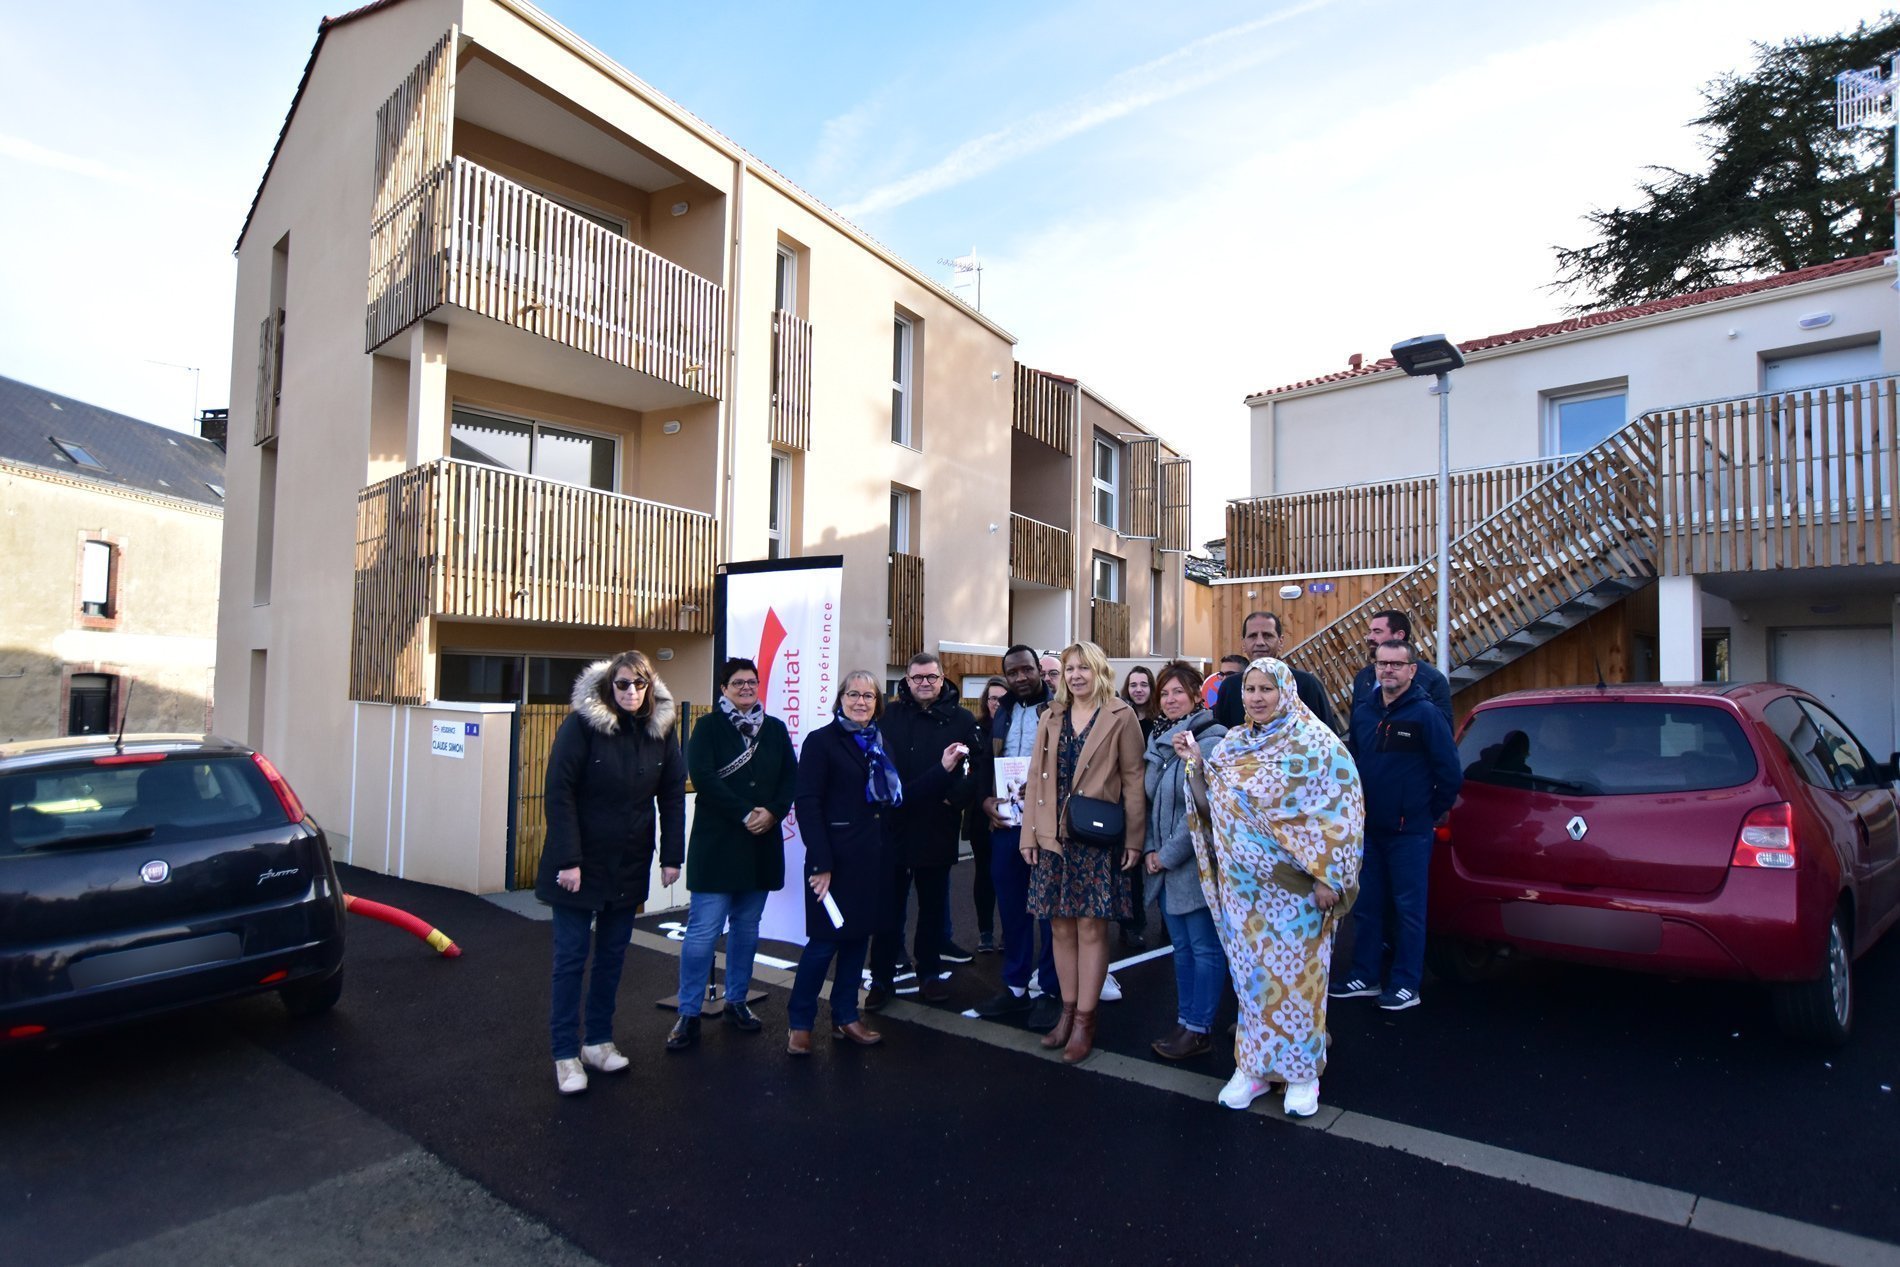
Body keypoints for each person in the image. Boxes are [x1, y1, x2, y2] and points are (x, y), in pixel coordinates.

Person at [1183, 657, 1364, 1116]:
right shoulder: (1232, 745)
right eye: (1250, 689)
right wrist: (1197, 767)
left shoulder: (1317, 744)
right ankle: (1254, 1069)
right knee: (1252, 982)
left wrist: (1330, 877)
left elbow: (1342, 812)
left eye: (1266, 689)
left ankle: (1303, 1075)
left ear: (1286, 691)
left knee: (1301, 984)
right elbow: (1211, 807)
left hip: (1298, 893)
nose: (1257, 698)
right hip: (1245, 892)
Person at [537, 652, 685, 1094]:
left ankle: (597, 1043)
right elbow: (558, 790)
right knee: (571, 960)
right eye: (623, 685)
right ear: (610, 686)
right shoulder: (582, 725)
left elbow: (673, 793)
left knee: (612, 959)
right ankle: (565, 1054)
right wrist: (568, 860)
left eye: (639, 685)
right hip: (579, 865)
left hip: (630, 862)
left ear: (649, 686)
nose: (631, 693)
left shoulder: (661, 730)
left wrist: (671, 857)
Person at [1023, 640, 1145, 1064]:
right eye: (1070, 668)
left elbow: (1133, 779)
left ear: (1099, 672)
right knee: (1059, 927)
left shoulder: (1121, 715)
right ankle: (1067, 1012)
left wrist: (1133, 840)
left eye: (1084, 668)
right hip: (1052, 837)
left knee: (1091, 928)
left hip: (1095, 839)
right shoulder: (1050, 715)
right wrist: (1028, 836)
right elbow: (1035, 780)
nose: (1076, 675)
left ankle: (1085, 1023)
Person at [668, 657, 796, 1051]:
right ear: (723, 688)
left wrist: (772, 812)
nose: (746, 688)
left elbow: (790, 776)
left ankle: (737, 1001)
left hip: (761, 843)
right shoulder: (707, 727)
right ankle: (688, 1013)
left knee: (746, 929)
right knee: (703, 932)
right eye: (738, 683)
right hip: (719, 844)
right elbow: (702, 777)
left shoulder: (774, 729)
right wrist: (745, 813)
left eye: (751, 682)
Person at [1334, 640, 1463, 1012]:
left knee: (1409, 910)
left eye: (1396, 664)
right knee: (1368, 906)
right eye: (1382, 664)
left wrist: (1424, 813)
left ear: (1412, 671)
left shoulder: (1426, 715)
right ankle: (1365, 975)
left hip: (1410, 833)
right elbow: (1352, 766)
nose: (1388, 670)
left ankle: (1407, 983)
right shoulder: (1363, 713)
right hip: (1369, 831)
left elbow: (1449, 775)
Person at [785, 671, 903, 1054]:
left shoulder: (881, 744)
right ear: (841, 698)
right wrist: (820, 861)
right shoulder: (821, 742)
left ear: (877, 703)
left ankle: (845, 1017)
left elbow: (895, 797)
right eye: (854, 694)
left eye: (869, 696)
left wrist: (945, 768)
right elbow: (807, 802)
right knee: (823, 944)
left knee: (856, 943)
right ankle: (799, 1023)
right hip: (832, 862)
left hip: (872, 861)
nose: (861, 702)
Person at [866, 653, 978, 1009]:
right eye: (917, 678)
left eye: (931, 677)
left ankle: (929, 973)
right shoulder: (888, 716)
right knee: (888, 909)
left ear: (943, 678)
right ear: (907, 681)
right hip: (893, 828)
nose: (925, 683)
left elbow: (976, 769)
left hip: (936, 825)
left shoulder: (962, 719)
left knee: (932, 908)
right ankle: (881, 979)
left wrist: (954, 801)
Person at [971, 646, 1063, 1025]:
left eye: (1027, 670)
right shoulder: (1002, 711)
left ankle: (1052, 990)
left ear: (1039, 671)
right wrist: (985, 801)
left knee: (1050, 911)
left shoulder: (1060, 707)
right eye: (1013, 672)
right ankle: (1016, 988)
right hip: (1007, 825)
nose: (1021, 677)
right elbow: (983, 765)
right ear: (1005, 675)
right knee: (1012, 908)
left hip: (1049, 825)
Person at [1142, 662, 1228, 1060]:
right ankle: (1186, 1020)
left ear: (1197, 695)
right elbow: (1150, 803)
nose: (1171, 699)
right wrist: (1148, 852)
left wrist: (1166, 856)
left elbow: (1205, 811)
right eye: (1165, 694)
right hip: (1163, 864)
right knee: (1182, 948)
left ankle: (1199, 1028)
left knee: (1204, 948)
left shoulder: (1212, 740)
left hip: (1195, 866)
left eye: (1179, 691)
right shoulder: (1159, 740)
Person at [1215, 611, 1336, 731]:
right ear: (1243, 643)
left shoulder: (1306, 684)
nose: (1260, 642)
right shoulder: (1230, 687)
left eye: (1267, 635)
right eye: (1252, 636)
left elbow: (1327, 737)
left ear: (1281, 641)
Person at [963, 675, 1010, 953]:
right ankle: (985, 932)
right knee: (984, 874)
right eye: (992, 698)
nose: (996, 703)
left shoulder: (1016, 728)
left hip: (1011, 813)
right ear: (985, 700)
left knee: (1008, 876)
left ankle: (1008, 932)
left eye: (1002, 698)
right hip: (981, 813)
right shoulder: (975, 729)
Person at [1116, 663, 1160, 950]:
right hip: (1129, 801)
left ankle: (1169, 921)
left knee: (1159, 863)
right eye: (1133, 685)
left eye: (1144, 684)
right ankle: (1132, 924)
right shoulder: (1121, 719)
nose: (1139, 689)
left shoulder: (1161, 720)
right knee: (1129, 868)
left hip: (1156, 801)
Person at [1348, 610, 1452, 724]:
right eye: (1370, 631)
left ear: (1399, 635)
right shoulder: (1363, 677)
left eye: (1377, 632)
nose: (1370, 637)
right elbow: (1356, 726)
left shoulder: (1432, 680)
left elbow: (1442, 731)